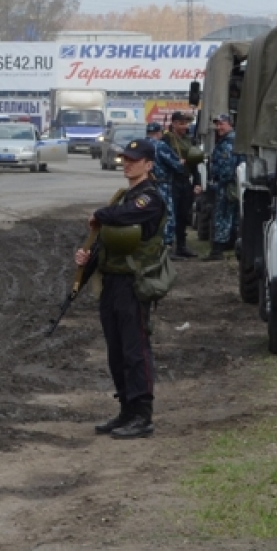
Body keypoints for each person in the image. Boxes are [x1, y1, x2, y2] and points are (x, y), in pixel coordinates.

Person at [75, 137, 167, 440]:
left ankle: (142, 415)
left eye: (134, 159)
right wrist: (85, 262)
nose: (127, 163)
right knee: (116, 351)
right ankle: (126, 409)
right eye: (125, 159)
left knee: (134, 349)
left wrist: (101, 214)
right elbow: (106, 239)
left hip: (134, 283)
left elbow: (123, 218)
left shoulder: (149, 198)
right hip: (113, 281)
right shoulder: (123, 198)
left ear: (149, 164)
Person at [144, 122, 188, 256]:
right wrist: (180, 163)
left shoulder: (141, 145)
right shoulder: (160, 146)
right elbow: (177, 166)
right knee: (168, 216)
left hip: (144, 186)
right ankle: (166, 248)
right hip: (162, 185)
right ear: (159, 133)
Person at [205, 114, 243, 262]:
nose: (219, 127)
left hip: (226, 185)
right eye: (217, 124)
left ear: (230, 124)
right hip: (231, 184)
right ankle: (231, 246)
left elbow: (227, 168)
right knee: (232, 216)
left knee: (223, 215)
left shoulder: (229, 142)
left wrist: (218, 180)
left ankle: (218, 249)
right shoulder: (229, 140)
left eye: (222, 124)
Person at [164, 111, 201, 257]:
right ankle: (168, 247)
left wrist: (197, 182)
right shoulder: (167, 139)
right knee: (171, 214)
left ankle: (181, 246)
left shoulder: (188, 140)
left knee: (184, 215)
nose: (184, 126)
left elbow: (194, 163)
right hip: (172, 180)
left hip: (185, 180)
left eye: (186, 123)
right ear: (173, 124)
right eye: (181, 123)